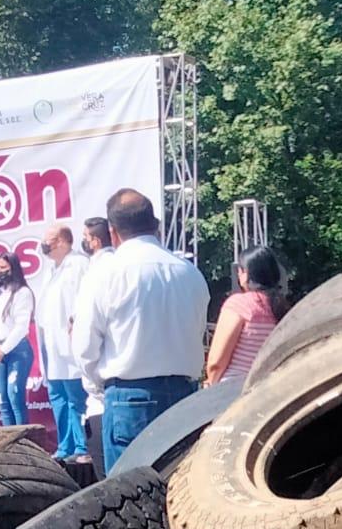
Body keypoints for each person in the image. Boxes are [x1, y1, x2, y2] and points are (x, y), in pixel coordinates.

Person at [72, 189, 209, 472]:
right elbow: (198, 333)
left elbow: (85, 346)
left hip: (129, 398)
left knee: (130, 492)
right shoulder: (188, 272)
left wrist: (100, 386)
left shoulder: (105, 274)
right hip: (185, 395)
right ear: (155, 225)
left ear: (113, 233)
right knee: (181, 486)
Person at [37, 224, 89, 460]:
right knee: (57, 396)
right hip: (51, 342)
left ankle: (82, 446)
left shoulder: (79, 264)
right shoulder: (51, 270)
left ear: (62, 241)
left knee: (75, 396)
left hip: (70, 342)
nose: (44, 244)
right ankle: (64, 445)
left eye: (48, 239)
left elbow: (84, 301)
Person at [205, 245, 288, 385]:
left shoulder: (239, 305)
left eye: (240, 270)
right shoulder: (283, 309)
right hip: (267, 387)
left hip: (233, 388)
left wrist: (211, 385)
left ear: (246, 273)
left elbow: (216, 363)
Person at [0, 252, 36, 427]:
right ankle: (10, 439)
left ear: (14, 268)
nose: (0, 271)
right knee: (2, 400)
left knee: (15, 397)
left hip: (17, 350)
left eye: (4, 268)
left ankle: (24, 440)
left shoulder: (22, 292)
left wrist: (3, 349)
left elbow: (21, 327)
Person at [78, 216, 114, 474]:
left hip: (105, 392)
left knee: (112, 477)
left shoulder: (98, 271)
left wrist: (93, 383)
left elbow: (86, 337)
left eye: (85, 237)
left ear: (95, 241)